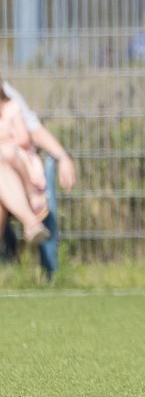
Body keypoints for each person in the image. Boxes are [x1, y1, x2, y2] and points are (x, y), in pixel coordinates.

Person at [0, 81, 76, 276]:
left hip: (15, 176)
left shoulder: (9, 98)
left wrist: (63, 156)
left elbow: (32, 130)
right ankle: (31, 221)